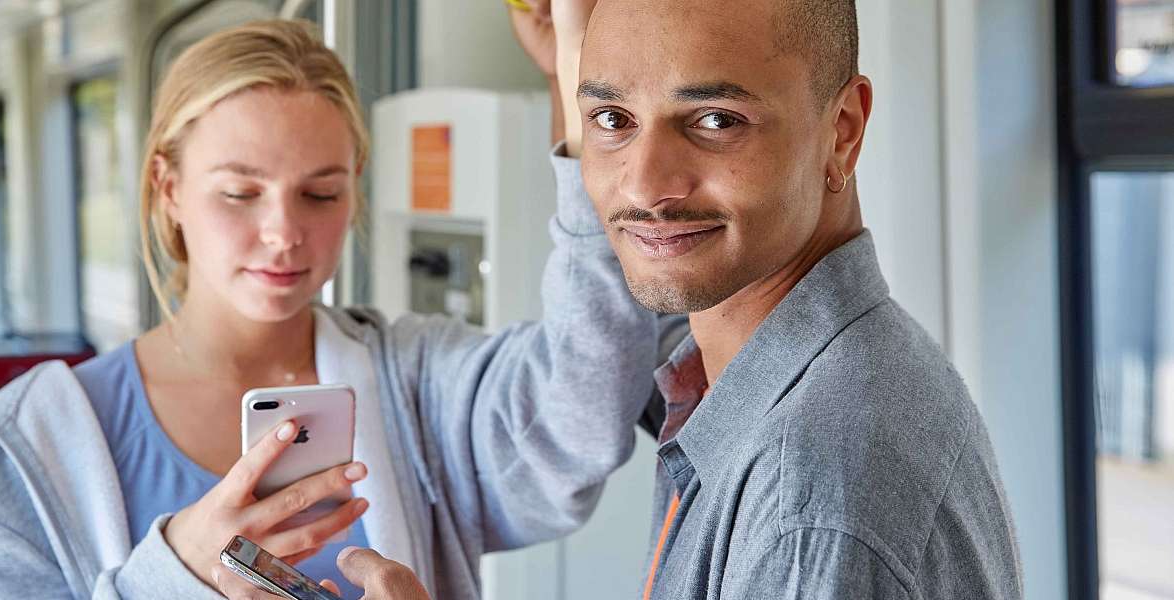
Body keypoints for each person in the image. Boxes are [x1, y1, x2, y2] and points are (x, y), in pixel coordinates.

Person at [295, 0, 1027, 598]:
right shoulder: (759, 376)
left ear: (842, 133)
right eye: (613, 120)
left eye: (714, 121)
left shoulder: (813, 500)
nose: (645, 185)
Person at [0, 18, 663, 600]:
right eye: (239, 192)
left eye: (320, 194)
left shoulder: (417, 384)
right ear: (168, 188)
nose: (285, 234)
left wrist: (579, 92)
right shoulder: (28, 449)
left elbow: (582, 402)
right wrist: (173, 578)